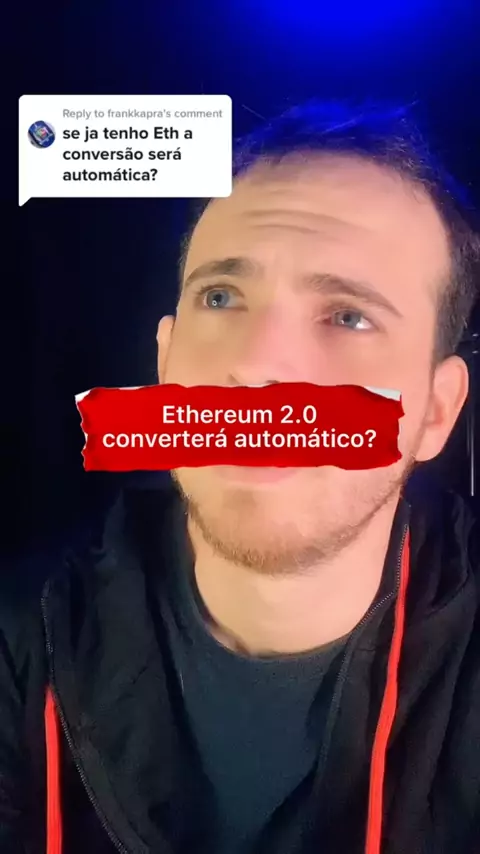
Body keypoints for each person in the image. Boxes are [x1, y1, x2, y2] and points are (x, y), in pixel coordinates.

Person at [2, 101, 480, 854]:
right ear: (166, 364)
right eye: (220, 298)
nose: (256, 367)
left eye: (349, 316)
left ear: (436, 412)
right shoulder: (19, 638)